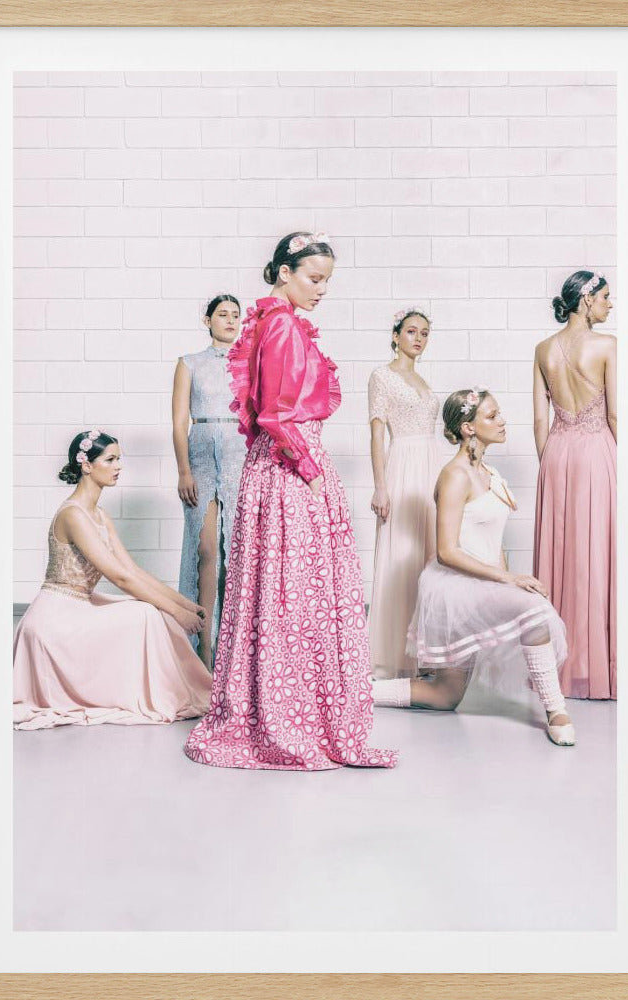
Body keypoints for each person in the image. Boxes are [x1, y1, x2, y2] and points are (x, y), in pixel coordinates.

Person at [184, 231, 397, 770]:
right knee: (294, 593)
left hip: (277, 464)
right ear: (284, 272)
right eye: (314, 278)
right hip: (289, 465)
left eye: (327, 280)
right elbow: (276, 415)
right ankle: (290, 718)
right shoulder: (280, 324)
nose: (322, 289)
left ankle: (284, 709)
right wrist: (310, 470)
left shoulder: (276, 321)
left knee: (284, 592)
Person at [372, 388, 575, 747]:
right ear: (468, 428)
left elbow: (492, 545)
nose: (502, 421)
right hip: (455, 586)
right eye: (492, 415)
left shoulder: (488, 473)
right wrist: (508, 579)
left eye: (498, 414)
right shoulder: (455, 475)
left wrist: (507, 579)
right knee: (535, 611)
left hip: (484, 582)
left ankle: (358, 691)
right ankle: (556, 710)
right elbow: (447, 551)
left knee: (446, 698)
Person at [13, 430, 212, 729]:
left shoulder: (100, 515)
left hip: (79, 607)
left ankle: (180, 689)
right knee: (145, 611)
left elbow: (133, 570)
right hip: (55, 621)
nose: (119, 466)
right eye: (111, 459)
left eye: (119, 459)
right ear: (87, 465)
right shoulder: (73, 515)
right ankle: (158, 695)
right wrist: (178, 613)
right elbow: (119, 577)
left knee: (153, 610)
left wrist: (185, 604)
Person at [533, 271, 617, 700]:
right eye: (604, 297)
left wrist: (549, 463)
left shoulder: (543, 349)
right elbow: (616, 414)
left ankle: (558, 668)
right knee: (598, 552)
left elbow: (537, 420)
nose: (609, 305)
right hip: (597, 452)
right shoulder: (606, 346)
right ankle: (596, 667)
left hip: (557, 454)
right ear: (585, 300)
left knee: (562, 554)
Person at [172, 293, 247, 669]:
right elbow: (178, 422)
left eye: (236, 315)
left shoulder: (250, 363)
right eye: (223, 314)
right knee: (205, 550)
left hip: (240, 453)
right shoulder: (189, 363)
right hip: (201, 453)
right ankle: (203, 648)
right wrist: (184, 470)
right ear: (207, 320)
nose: (230, 321)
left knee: (237, 552)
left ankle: (234, 651)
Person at [368, 307, 441, 678]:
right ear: (395, 335)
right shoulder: (382, 376)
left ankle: (424, 652)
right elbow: (377, 435)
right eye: (411, 331)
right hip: (403, 465)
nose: (418, 338)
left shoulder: (423, 381)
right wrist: (381, 486)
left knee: (428, 554)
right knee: (402, 554)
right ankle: (392, 654)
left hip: (430, 465)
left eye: (425, 333)